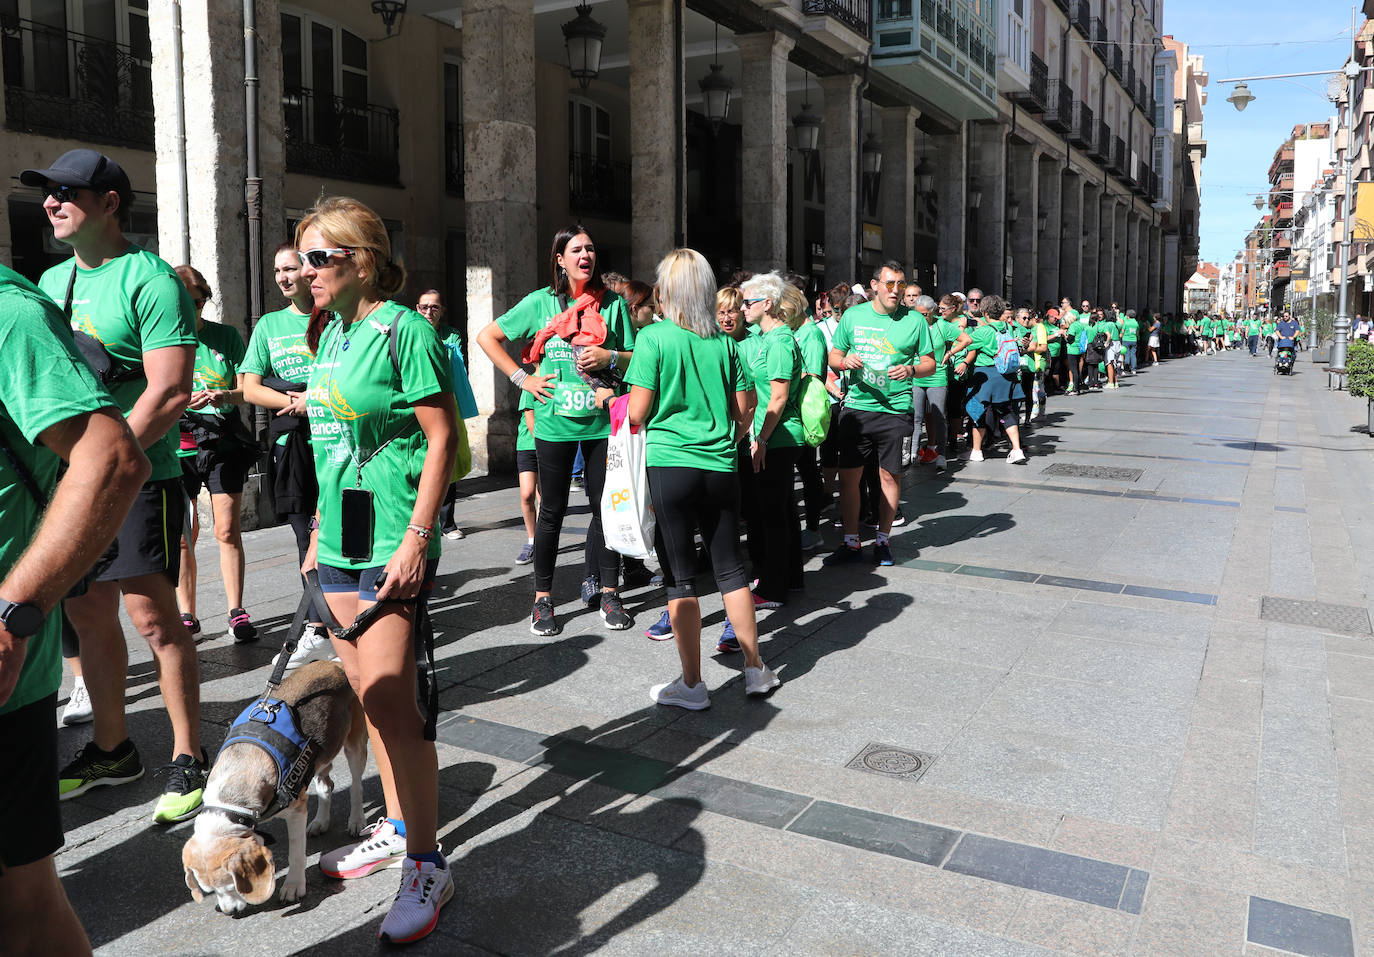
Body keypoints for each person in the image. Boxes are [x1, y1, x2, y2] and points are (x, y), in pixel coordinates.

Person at [295, 196, 458, 943]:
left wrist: (420, 535)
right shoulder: (330, 333)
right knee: (364, 692)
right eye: (302, 258)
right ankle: (395, 826)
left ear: (362, 259)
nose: (305, 272)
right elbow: (332, 444)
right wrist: (321, 528)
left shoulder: (404, 331)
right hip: (339, 544)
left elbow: (442, 436)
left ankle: (427, 862)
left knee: (395, 701)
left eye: (319, 257)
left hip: (393, 535)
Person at [29, 149, 207, 823]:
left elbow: (170, 392)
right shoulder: (47, 284)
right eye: (48, 191)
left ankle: (189, 755)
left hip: (138, 478)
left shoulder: (151, 280)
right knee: (86, 613)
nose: (52, 201)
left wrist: (106, 461)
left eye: (67, 190)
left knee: (155, 618)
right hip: (71, 483)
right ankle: (112, 746)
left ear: (109, 201)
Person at [0, 260, 151, 957]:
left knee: (21, 896)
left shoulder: (10, 315)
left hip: (3, 680)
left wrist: (16, 609)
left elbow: (114, 459)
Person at [624, 248, 780, 709]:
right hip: (719, 466)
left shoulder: (654, 338)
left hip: (671, 465)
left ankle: (692, 684)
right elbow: (743, 408)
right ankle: (755, 668)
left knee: (680, 577)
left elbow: (636, 411)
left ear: (667, 289)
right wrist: (733, 427)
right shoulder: (725, 342)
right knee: (731, 569)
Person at [476, 225, 636, 637]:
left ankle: (610, 591)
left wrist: (610, 355)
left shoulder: (613, 303)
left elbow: (636, 359)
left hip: (602, 423)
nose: (585, 255)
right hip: (553, 424)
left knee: (605, 510)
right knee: (552, 513)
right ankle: (543, 600)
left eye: (590, 248)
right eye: (576, 250)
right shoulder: (539, 303)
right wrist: (522, 380)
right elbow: (487, 336)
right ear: (560, 260)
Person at [242, 243, 335, 676]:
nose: (282, 277)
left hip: (336, 435)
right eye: (277, 269)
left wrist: (313, 399)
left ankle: (342, 617)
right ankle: (317, 627)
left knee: (338, 528)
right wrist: (293, 401)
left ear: (309, 271)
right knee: (304, 533)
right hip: (292, 441)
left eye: (290, 268)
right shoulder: (269, 325)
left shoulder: (331, 315)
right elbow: (249, 387)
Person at [823, 261, 936, 567]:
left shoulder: (914, 321)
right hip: (857, 409)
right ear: (874, 285)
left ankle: (884, 541)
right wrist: (845, 363)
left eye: (901, 284)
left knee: (889, 475)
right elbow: (834, 356)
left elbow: (930, 363)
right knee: (849, 478)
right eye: (890, 284)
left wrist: (910, 369)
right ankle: (850, 541)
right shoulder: (853, 316)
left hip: (895, 409)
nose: (896, 290)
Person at [172, 265, 257, 643]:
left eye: (199, 300)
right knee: (183, 534)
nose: (193, 308)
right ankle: (186, 614)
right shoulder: (164, 337)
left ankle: (236, 611)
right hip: (178, 443)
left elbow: (247, 389)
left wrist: (226, 396)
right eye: (185, 301)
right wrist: (183, 399)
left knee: (226, 528)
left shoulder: (226, 336)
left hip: (222, 441)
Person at [739, 272, 805, 607]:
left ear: (767, 304)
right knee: (782, 511)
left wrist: (761, 439)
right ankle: (790, 578)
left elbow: (778, 398)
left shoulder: (779, 341)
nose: (743, 307)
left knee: (772, 516)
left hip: (777, 437)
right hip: (774, 436)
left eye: (748, 301)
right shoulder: (769, 336)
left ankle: (772, 588)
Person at [416, 289, 475, 541]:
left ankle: (447, 523)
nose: (429, 312)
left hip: (446, 403)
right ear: (416, 308)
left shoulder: (451, 334)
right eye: (424, 307)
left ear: (442, 311)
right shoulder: (409, 331)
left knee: (448, 462)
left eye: (434, 308)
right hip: (417, 405)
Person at [951, 295, 1028, 464]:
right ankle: (1016, 449)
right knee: (1006, 411)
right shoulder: (1008, 327)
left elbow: (966, 342)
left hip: (986, 375)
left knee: (978, 411)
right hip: (1006, 375)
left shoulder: (984, 331)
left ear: (985, 312)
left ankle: (976, 451)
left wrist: (962, 327)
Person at [911, 295, 969, 471]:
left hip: (937, 375)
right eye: (918, 313)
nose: (921, 317)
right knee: (916, 416)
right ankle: (912, 452)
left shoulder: (942, 325)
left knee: (939, 416)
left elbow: (966, 340)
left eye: (925, 314)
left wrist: (949, 354)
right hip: (917, 374)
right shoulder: (913, 324)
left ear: (932, 312)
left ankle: (941, 455)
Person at [1018, 307, 1049, 423]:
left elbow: (1043, 347)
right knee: (1035, 389)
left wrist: (1026, 350)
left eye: (1028, 318)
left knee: (1037, 389)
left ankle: (1038, 413)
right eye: (1024, 318)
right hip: (1032, 362)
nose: (1026, 320)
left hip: (1038, 362)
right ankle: (1037, 412)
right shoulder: (1032, 328)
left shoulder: (1038, 327)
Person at [1120, 308, 1140, 375]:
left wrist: (1120, 336)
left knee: (1127, 354)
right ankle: (1134, 369)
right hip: (1134, 340)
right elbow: (1137, 332)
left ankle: (1126, 368)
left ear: (1128, 316)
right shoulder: (1136, 323)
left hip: (1126, 339)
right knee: (1133, 354)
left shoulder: (1126, 323)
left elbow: (1122, 331)